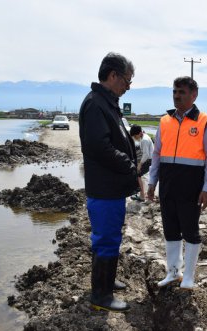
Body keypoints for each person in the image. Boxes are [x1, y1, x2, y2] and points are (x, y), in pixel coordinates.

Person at [78, 52, 138, 312]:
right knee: (105, 238)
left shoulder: (107, 102)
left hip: (111, 187)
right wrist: (129, 164)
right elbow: (98, 146)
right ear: (112, 75)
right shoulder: (95, 104)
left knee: (111, 236)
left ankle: (108, 282)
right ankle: (101, 295)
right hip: (104, 188)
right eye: (126, 80)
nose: (127, 87)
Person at [147, 76, 207, 289]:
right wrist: (152, 182)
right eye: (175, 92)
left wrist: (206, 189)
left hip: (191, 186)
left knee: (190, 231)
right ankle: (172, 272)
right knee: (170, 230)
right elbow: (157, 154)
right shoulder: (164, 121)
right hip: (168, 184)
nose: (177, 96)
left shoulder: (205, 121)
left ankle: (188, 277)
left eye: (182, 92)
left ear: (193, 95)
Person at [130, 125, 154, 202]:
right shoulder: (144, 136)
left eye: (134, 136)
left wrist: (140, 164)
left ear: (139, 133)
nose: (134, 138)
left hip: (149, 160)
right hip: (149, 159)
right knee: (138, 175)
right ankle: (142, 194)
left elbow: (146, 154)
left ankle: (142, 196)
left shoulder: (144, 140)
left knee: (137, 174)